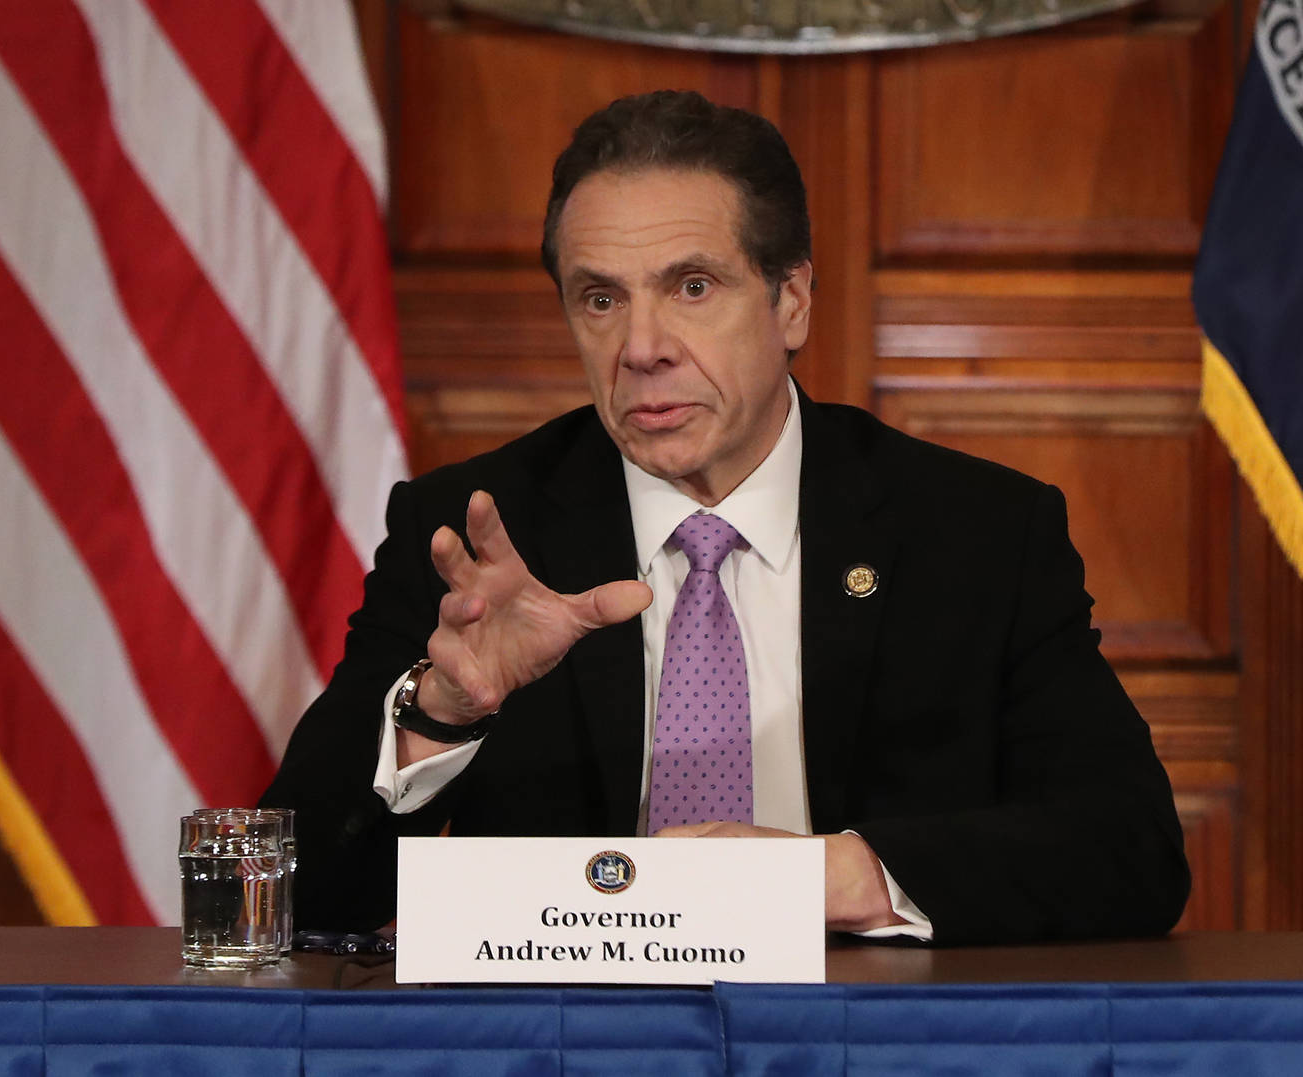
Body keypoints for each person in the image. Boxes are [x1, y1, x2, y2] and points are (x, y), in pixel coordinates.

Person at [262, 90, 1189, 946]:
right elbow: (295, 897)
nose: (643, 348)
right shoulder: (476, 532)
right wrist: (443, 711)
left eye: (693, 287)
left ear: (790, 300)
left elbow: (1132, 850)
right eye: (601, 299)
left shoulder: (977, 533)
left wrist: (833, 873)